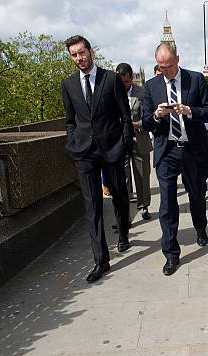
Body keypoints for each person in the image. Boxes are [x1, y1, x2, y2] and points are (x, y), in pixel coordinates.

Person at [61, 35, 133, 283]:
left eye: (82, 52)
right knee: (92, 207)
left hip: (111, 149)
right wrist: (73, 142)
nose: (79, 58)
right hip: (84, 153)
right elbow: (71, 121)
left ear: (90, 52)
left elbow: (125, 116)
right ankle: (101, 261)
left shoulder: (111, 79)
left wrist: (123, 145)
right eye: (74, 55)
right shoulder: (68, 85)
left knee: (119, 195)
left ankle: (123, 233)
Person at [142, 43, 208, 276]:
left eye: (170, 66)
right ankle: (171, 254)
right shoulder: (151, 86)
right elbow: (145, 122)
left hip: (193, 150)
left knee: (196, 195)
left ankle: (200, 227)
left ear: (178, 59)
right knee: (167, 204)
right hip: (167, 151)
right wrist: (156, 115)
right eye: (162, 67)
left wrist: (189, 111)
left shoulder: (196, 80)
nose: (167, 71)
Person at [116, 62, 153, 221]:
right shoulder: (112, 93)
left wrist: (139, 124)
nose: (122, 85)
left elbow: (150, 116)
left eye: (125, 81)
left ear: (131, 78)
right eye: (120, 81)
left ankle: (144, 206)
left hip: (139, 138)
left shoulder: (143, 93)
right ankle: (125, 208)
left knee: (142, 175)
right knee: (122, 176)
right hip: (120, 140)